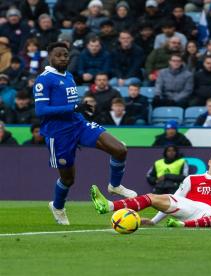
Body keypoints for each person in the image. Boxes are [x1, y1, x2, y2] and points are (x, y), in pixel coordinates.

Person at [33, 42, 137, 225]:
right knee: (68, 179)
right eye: (59, 55)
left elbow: (70, 104)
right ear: (50, 57)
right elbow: (41, 110)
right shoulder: (44, 79)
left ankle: (114, 185)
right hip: (58, 134)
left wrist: (81, 109)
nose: (64, 58)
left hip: (79, 124)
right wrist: (74, 107)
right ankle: (57, 206)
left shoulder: (69, 76)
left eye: (66, 55)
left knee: (120, 149)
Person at [90, 149, 211, 228]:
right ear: (210, 161)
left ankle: (184, 225)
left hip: (210, 214)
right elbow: (174, 200)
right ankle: (109, 206)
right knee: (154, 197)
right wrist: (153, 221)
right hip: (189, 207)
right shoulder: (192, 179)